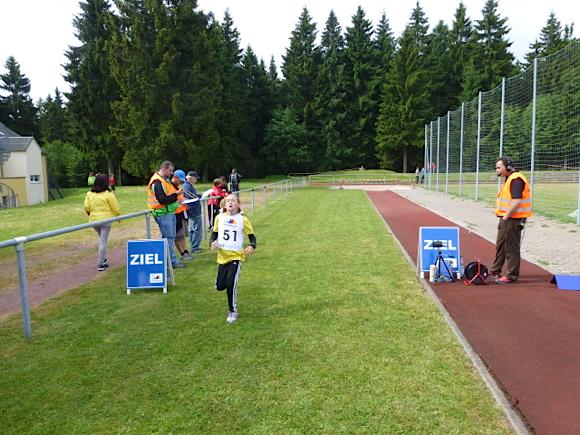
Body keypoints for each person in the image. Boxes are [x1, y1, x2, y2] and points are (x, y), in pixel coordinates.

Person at [210, 193, 256, 323]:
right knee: (220, 286)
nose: (230, 203)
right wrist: (212, 243)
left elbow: (252, 237)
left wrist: (252, 245)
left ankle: (232, 311)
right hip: (222, 256)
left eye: (233, 201)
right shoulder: (219, 218)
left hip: (236, 256)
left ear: (238, 204)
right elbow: (214, 234)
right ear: (225, 204)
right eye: (228, 201)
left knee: (231, 284)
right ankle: (220, 283)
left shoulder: (243, 220)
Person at [490, 157, 532, 284]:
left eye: (499, 167)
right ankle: (495, 270)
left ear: (507, 167)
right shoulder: (509, 179)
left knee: (511, 248)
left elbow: (516, 201)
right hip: (506, 218)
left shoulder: (516, 179)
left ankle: (511, 275)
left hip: (513, 219)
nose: (497, 170)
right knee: (501, 245)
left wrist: (507, 215)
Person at [147, 161, 186, 269]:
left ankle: (170, 260)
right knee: (168, 238)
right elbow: (162, 200)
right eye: (170, 171)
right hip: (163, 213)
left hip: (168, 212)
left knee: (170, 237)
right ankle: (172, 261)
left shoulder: (163, 180)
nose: (171, 173)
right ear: (163, 168)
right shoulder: (157, 181)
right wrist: (176, 195)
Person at [84, 173, 121, 271]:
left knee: (102, 239)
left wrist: (90, 214)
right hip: (106, 221)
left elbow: (87, 207)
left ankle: (103, 258)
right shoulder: (109, 194)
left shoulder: (89, 194)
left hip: (94, 221)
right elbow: (115, 208)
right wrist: (118, 217)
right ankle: (101, 263)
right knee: (103, 240)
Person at [172, 169, 192, 261]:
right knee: (177, 235)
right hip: (175, 214)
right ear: (175, 177)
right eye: (180, 180)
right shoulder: (170, 187)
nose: (181, 182)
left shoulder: (177, 187)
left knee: (182, 235)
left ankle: (185, 251)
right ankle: (182, 253)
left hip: (182, 213)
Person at [183, 171, 203, 253]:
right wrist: (200, 195)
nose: (196, 180)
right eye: (195, 178)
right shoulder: (187, 186)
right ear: (191, 177)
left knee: (192, 229)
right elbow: (191, 196)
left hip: (192, 209)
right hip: (193, 209)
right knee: (197, 229)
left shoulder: (187, 185)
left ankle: (194, 246)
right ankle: (195, 247)